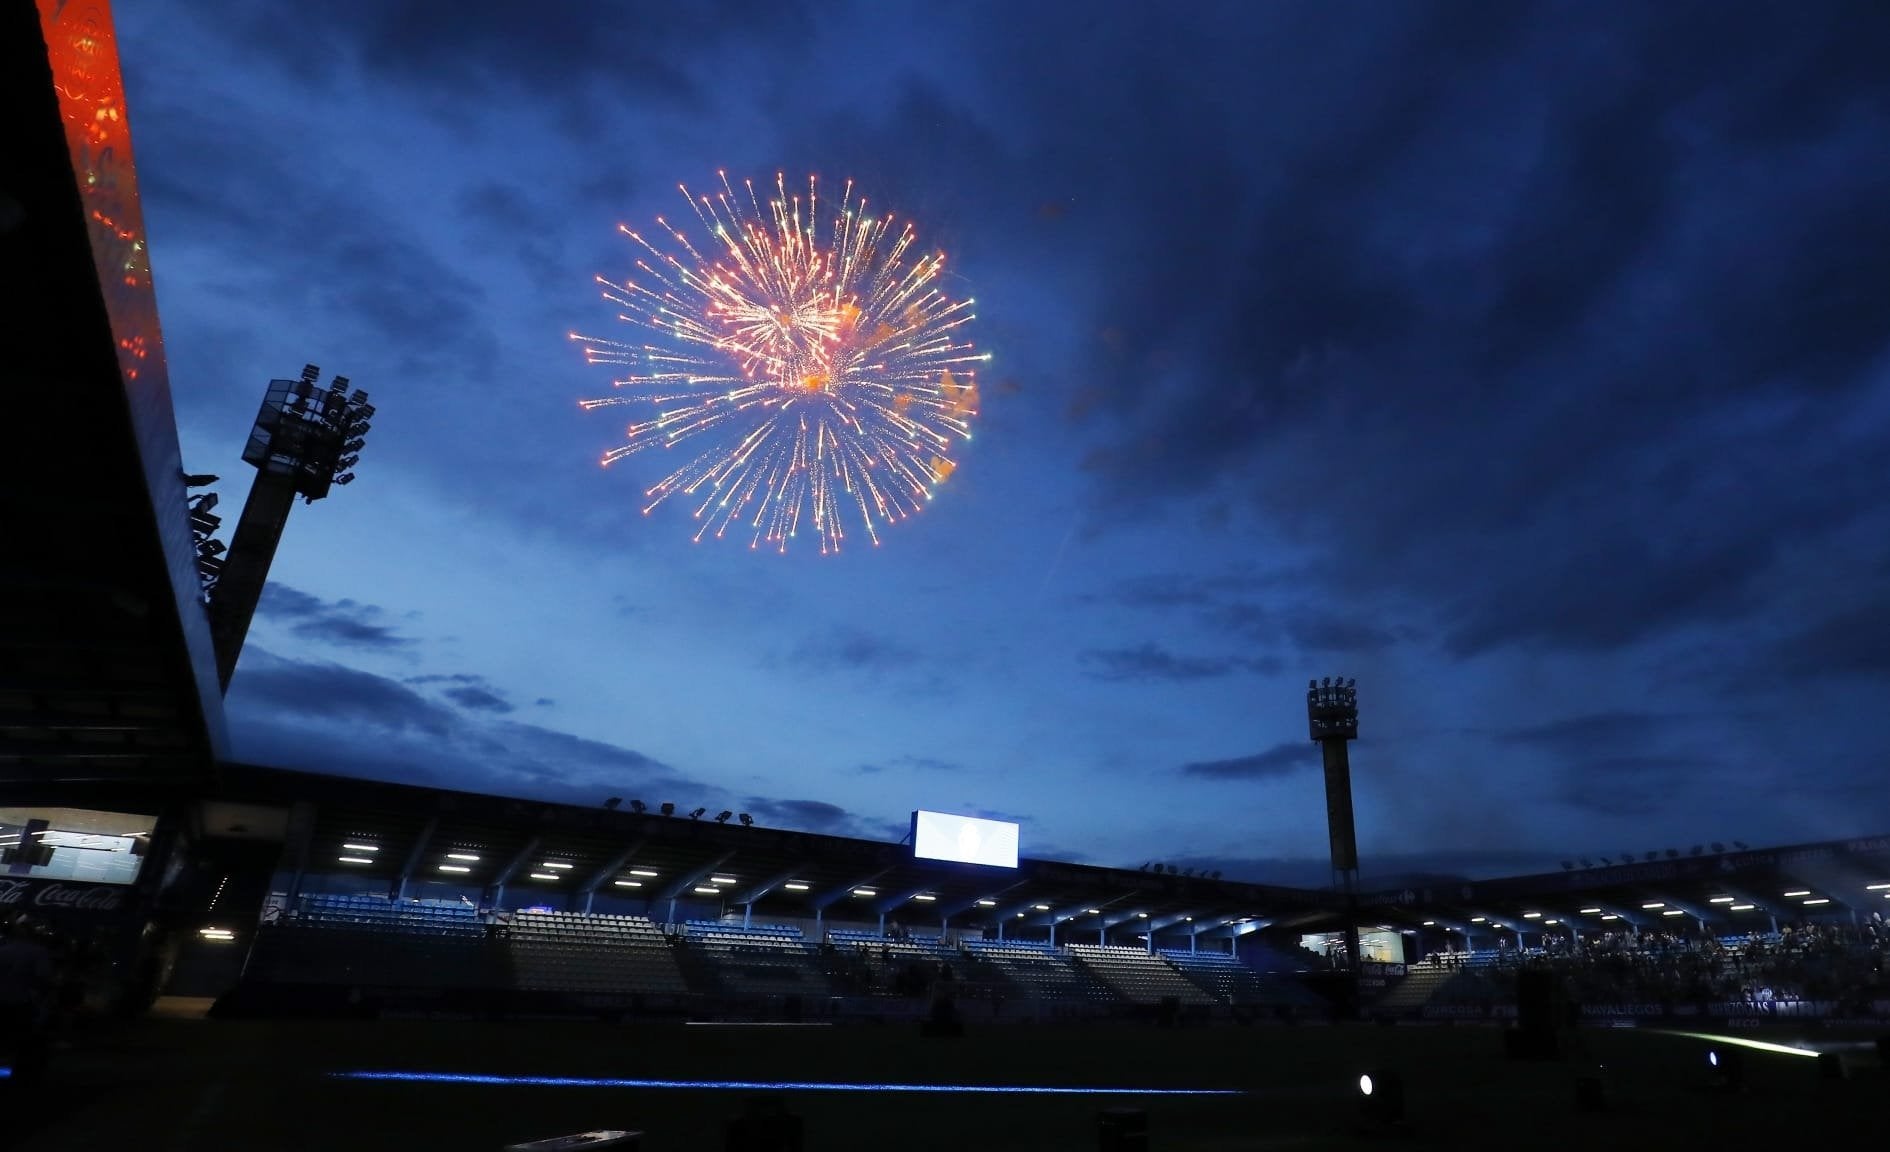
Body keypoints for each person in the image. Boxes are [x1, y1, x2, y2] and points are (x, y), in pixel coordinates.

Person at [0, 914, 57, 1085]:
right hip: (22, 1002)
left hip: (2, 1000)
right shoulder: (38, 952)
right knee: (23, 1040)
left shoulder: (3, 950)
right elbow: (43, 979)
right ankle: (20, 1077)